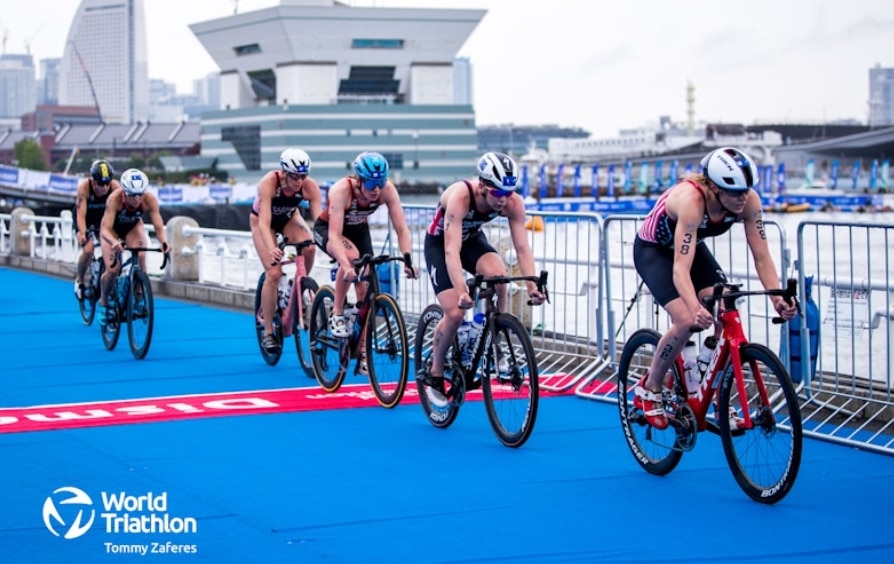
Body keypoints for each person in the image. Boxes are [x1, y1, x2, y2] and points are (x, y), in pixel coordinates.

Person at [632, 146, 797, 430]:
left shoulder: (749, 201)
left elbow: (761, 255)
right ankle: (650, 387)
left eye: (746, 190)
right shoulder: (691, 201)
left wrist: (776, 298)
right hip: (655, 252)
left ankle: (714, 386)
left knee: (725, 308)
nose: (742, 197)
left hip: (690, 249)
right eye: (734, 192)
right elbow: (680, 269)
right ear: (713, 187)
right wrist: (695, 309)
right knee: (686, 320)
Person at [421, 152, 546, 394]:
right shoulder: (460, 197)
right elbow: (450, 250)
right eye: (498, 193)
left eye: (508, 192)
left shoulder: (512, 202)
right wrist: (461, 292)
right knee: (456, 313)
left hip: (472, 240)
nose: (503, 200)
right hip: (441, 244)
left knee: (500, 277)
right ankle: (435, 369)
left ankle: (495, 335)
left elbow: (522, 247)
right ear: (482, 186)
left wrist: (533, 287)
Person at [312, 151, 418, 373]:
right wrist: (347, 265)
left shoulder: (387, 191)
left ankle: (360, 353)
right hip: (330, 230)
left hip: (359, 231)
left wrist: (407, 258)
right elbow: (334, 235)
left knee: (366, 292)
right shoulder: (342, 190)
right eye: (371, 184)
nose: (377, 189)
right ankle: (338, 313)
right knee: (351, 259)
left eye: (381, 182)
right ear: (359, 180)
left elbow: (401, 228)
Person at [250, 148, 323, 354]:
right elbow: (264, 224)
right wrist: (272, 249)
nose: (299, 181)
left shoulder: (310, 187)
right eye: (295, 176)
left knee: (309, 246)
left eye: (303, 176)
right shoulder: (269, 183)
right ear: (284, 172)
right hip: (263, 222)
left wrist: (329, 245)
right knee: (273, 273)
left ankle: (297, 286)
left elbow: (319, 223)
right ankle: (268, 333)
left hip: (290, 218)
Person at [98, 168, 170, 324]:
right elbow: (105, 229)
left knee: (142, 256)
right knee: (112, 270)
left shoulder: (149, 199)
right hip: (112, 231)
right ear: (124, 192)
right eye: (132, 195)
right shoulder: (114, 199)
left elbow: (158, 226)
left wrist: (163, 242)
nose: (137, 199)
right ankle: (104, 301)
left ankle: (138, 296)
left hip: (132, 227)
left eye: (140, 195)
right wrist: (114, 242)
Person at [73, 159, 119, 298]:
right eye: (100, 184)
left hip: (103, 219)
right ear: (93, 181)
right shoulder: (84, 188)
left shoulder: (115, 188)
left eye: (107, 183)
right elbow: (80, 215)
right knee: (88, 249)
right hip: (86, 218)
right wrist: (82, 233)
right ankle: (80, 279)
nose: (104, 188)